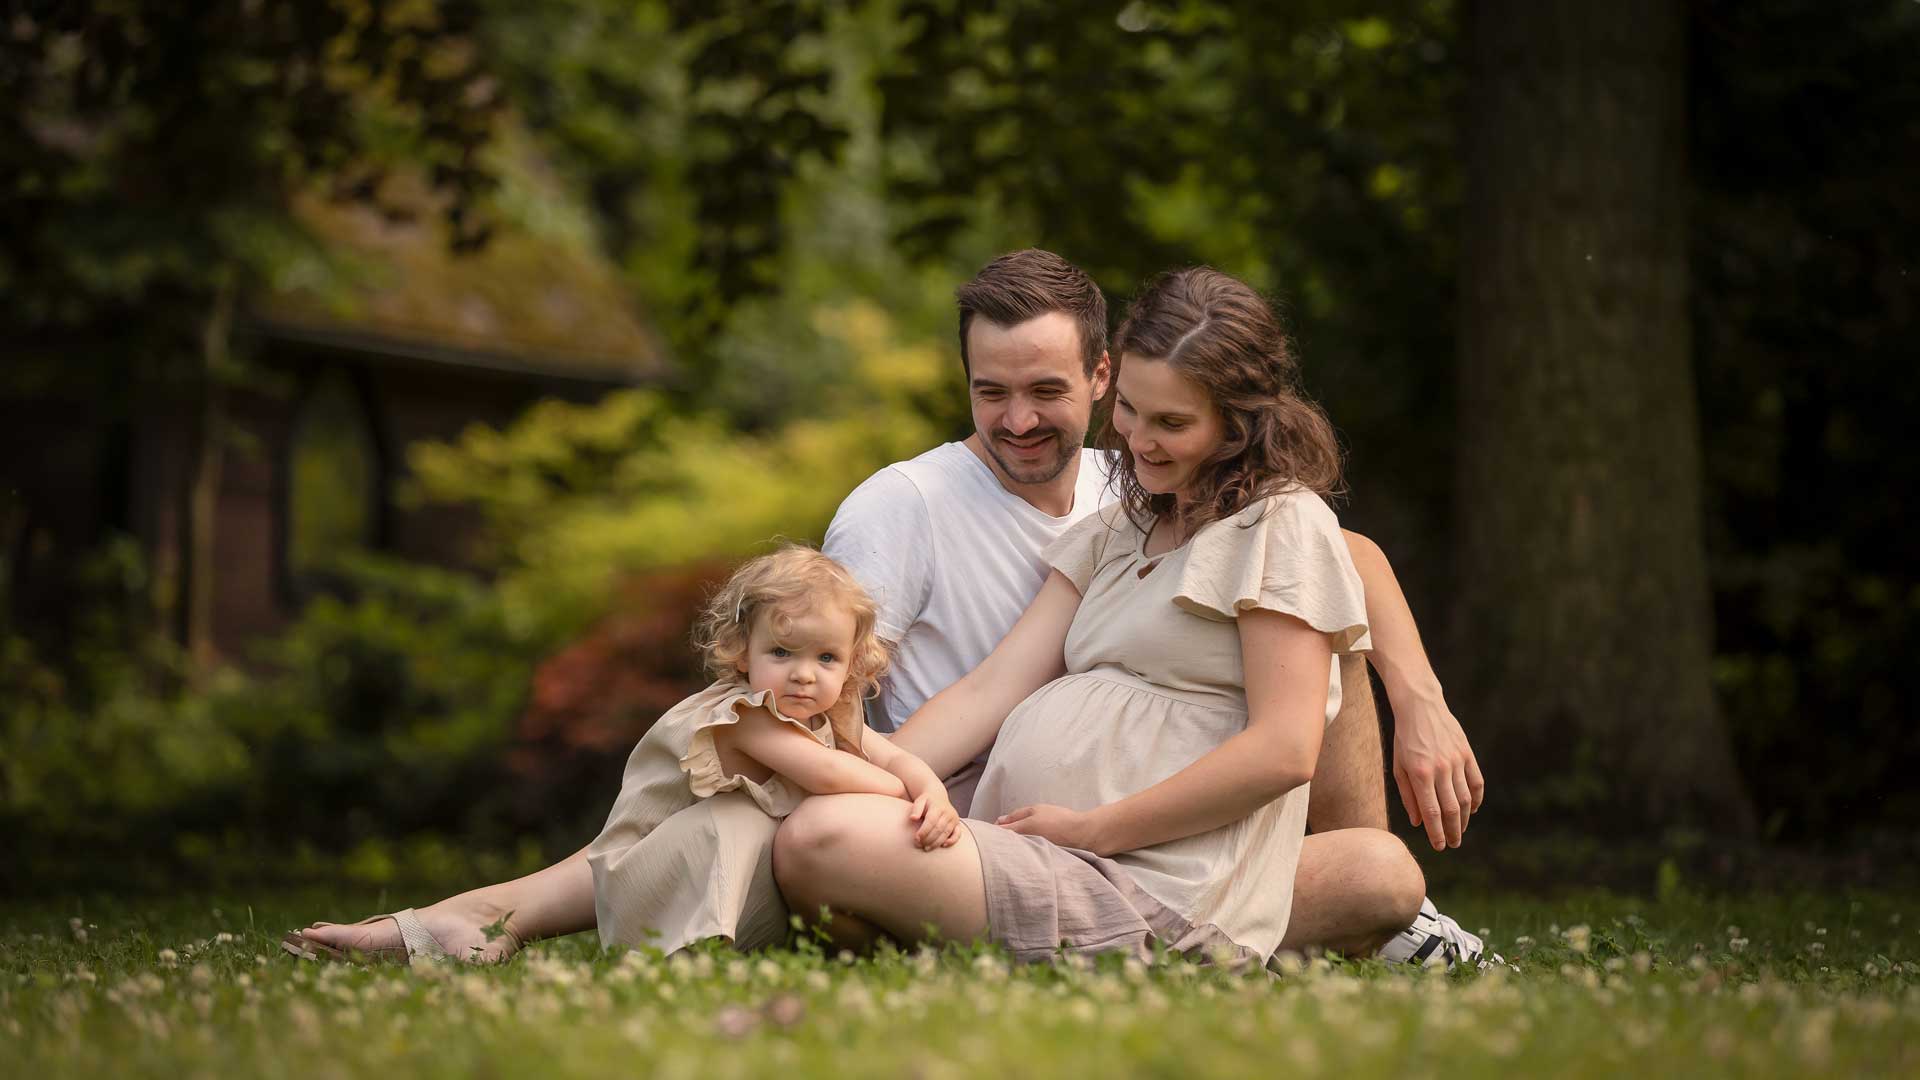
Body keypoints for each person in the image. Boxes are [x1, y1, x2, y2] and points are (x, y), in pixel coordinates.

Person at [285, 249, 1486, 968]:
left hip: (1120, 855)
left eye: (1075, 399)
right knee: (737, 762)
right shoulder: (1025, 512)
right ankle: (471, 917)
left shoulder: (1232, 511)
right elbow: (985, 685)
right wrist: (883, 770)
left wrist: (1421, 698)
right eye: (989, 390)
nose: (1032, 422)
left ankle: (1381, 913)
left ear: (1118, 378)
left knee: (1360, 782)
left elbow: (1328, 577)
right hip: (982, 821)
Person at [773, 265, 1420, 964]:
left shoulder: (1280, 525)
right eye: (1133, 412)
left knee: (820, 844)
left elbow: (1284, 750)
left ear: (1238, 423)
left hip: (1142, 873)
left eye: (1172, 422)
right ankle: (957, 944)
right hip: (1034, 847)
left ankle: (986, 947)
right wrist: (861, 774)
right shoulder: (1117, 527)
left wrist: (1095, 830)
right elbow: (990, 690)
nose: (1138, 440)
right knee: (821, 825)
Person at [283, 547, 960, 963]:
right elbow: (831, 774)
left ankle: (452, 928)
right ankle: (445, 929)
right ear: (741, 654)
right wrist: (902, 793)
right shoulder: (744, 716)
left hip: (693, 876)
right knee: (741, 823)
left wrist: (929, 788)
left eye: (826, 658)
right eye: (781, 654)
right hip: (644, 881)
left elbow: (891, 756)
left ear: (854, 664)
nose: (804, 675)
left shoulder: (827, 713)